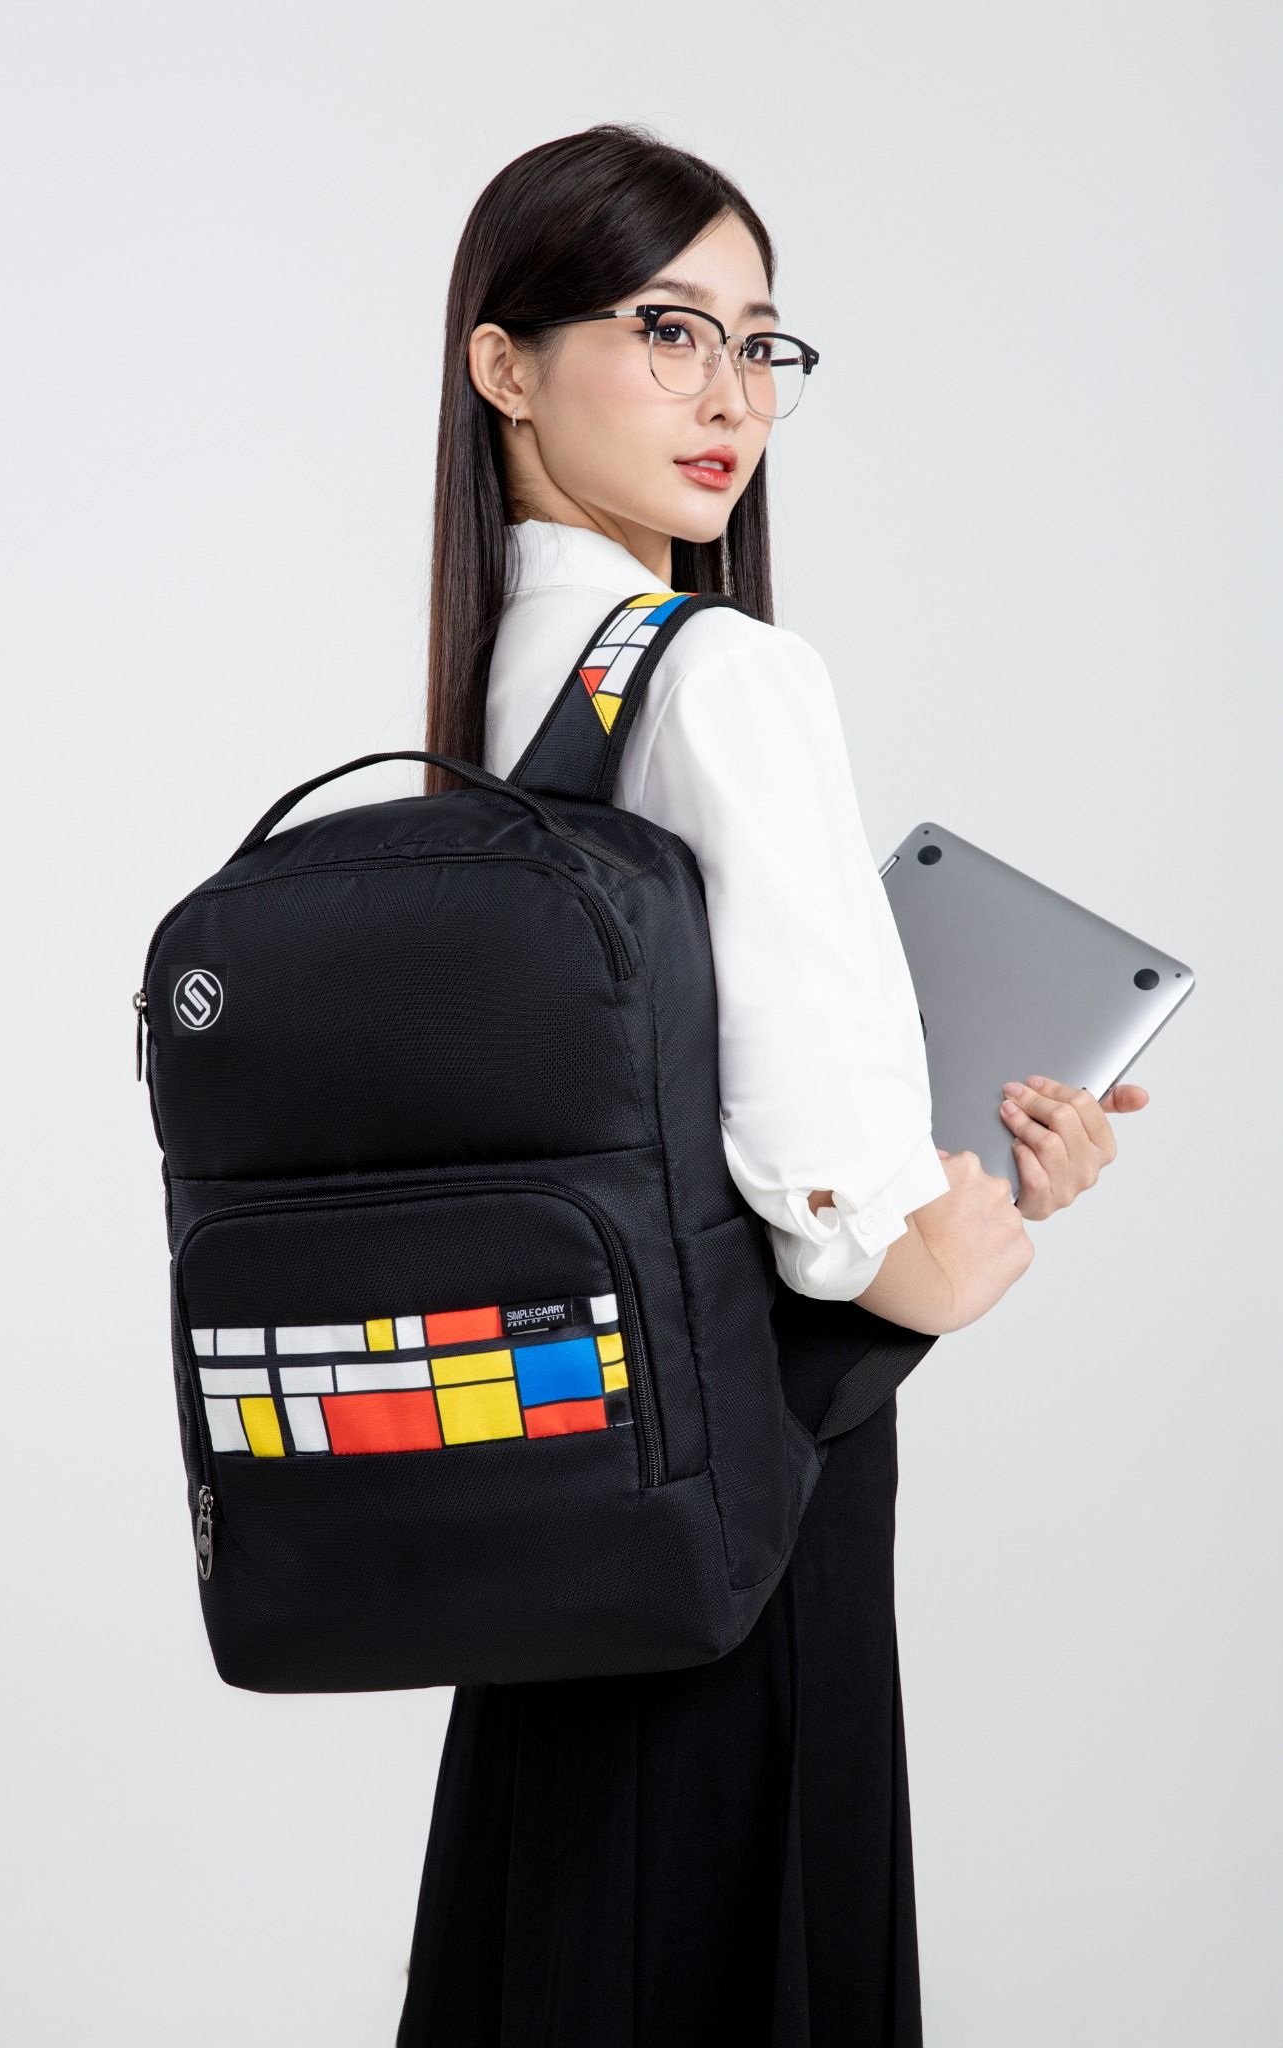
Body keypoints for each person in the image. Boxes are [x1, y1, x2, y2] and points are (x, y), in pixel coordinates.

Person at [397, 122, 1148, 2048]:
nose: (729, 397)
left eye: (758, 343)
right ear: (502, 363)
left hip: (556, 1455)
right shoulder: (719, 670)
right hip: (741, 1479)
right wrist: (962, 1226)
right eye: (667, 331)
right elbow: (848, 1219)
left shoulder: (487, 696)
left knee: (569, 1941)